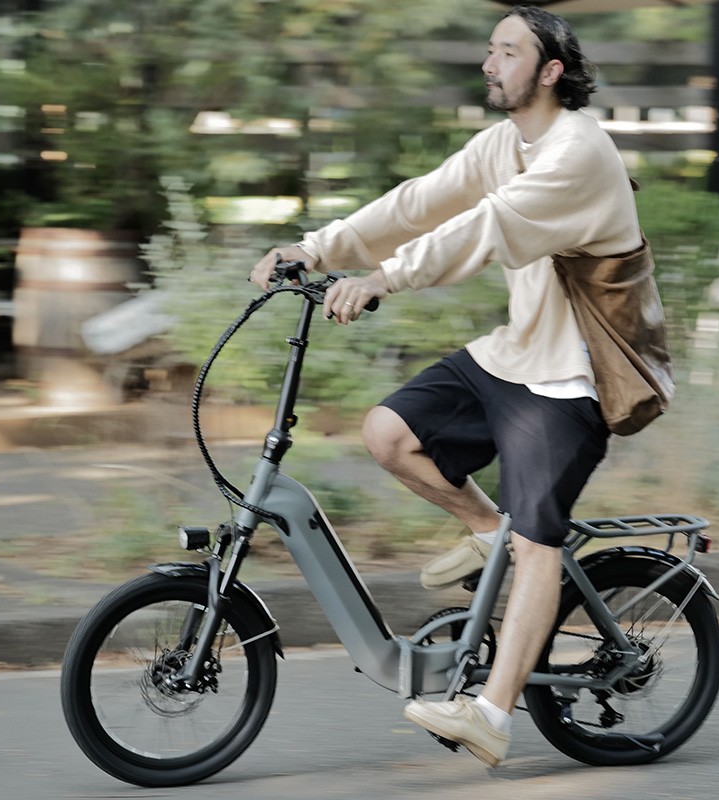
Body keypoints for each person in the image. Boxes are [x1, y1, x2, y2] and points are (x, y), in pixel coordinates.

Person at [250, 5, 650, 768]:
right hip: (514, 354)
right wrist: (312, 247)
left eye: (508, 52)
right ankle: (481, 525)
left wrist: (382, 281)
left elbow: (485, 229)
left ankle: (493, 714)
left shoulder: (578, 153)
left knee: (538, 543)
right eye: (490, 49)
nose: (490, 64)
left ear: (551, 71)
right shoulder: (505, 143)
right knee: (389, 434)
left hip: (574, 377)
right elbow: (422, 202)